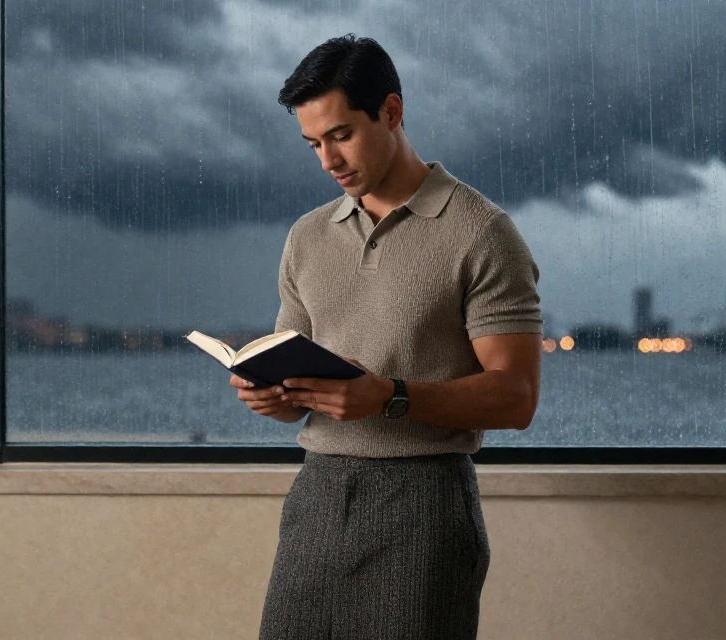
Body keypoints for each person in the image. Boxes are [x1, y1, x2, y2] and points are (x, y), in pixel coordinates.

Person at [231, 34, 543, 640]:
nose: (327, 160)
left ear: (392, 112)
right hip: (317, 497)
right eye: (313, 143)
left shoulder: (483, 234)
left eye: (341, 134)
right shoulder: (307, 237)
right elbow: (293, 373)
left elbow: (517, 397)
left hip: (424, 505)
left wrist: (390, 396)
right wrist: (271, 396)